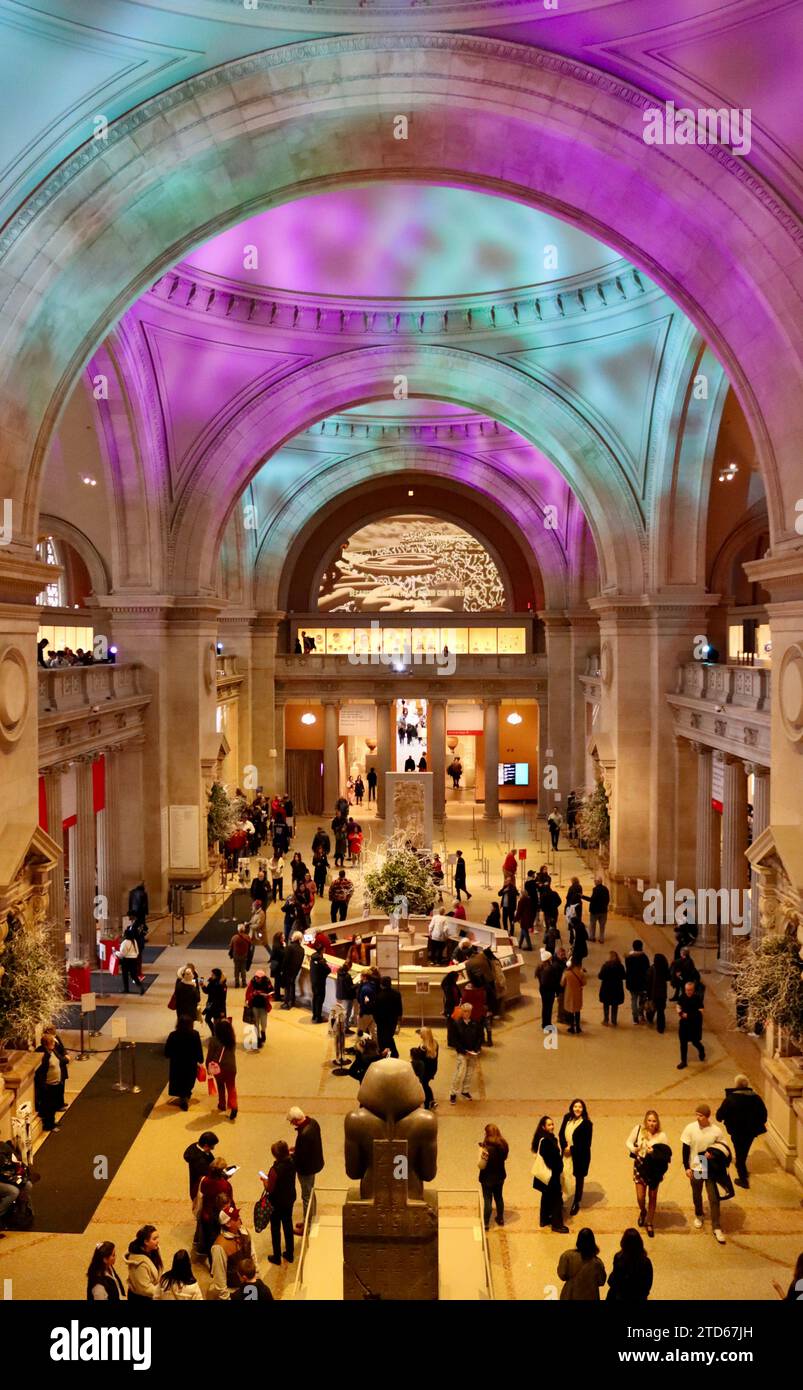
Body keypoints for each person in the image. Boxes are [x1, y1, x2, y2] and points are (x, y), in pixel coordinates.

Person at [681, 1104, 727, 1244]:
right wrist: (687, 1167)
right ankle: (699, 1214)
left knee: (713, 1197)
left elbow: (723, 1148)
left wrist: (713, 1154)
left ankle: (716, 1226)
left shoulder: (716, 1131)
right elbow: (685, 1148)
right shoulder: (690, 1128)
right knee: (697, 1193)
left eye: (700, 1115)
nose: (697, 1118)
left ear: (707, 1116)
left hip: (710, 1167)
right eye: (696, 1114)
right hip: (697, 1164)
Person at [716, 1075, 768, 1188]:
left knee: (739, 1154)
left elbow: (719, 1116)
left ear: (736, 1085)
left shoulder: (730, 1099)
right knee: (743, 1151)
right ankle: (742, 1167)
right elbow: (764, 1116)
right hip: (751, 1132)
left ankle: (743, 1179)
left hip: (736, 1131)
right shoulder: (756, 1098)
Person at [626, 1109, 671, 1238]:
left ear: (657, 1122)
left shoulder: (662, 1136)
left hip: (654, 1169)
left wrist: (654, 1153)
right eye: (649, 1120)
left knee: (652, 1196)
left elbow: (666, 1154)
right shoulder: (638, 1129)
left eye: (654, 1121)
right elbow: (628, 1142)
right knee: (640, 1197)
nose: (651, 1123)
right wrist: (634, 1149)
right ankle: (643, 1211)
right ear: (646, 1121)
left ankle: (650, 1222)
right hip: (640, 1165)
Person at [288, 1107, 324, 1231]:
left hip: (306, 1169)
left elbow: (301, 1158)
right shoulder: (313, 1123)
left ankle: (308, 1225)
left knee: (306, 1196)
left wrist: (290, 1155)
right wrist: (297, 1148)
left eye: (292, 1122)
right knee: (311, 1191)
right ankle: (310, 1218)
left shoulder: (304, 1134)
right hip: (314, 1164)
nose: (292, 1125)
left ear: (297, 1120)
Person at [263, 1139, 297, 1265]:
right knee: (288, 1225)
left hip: (276, 1202)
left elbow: (269, 1188)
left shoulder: (274, 1170)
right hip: (289, 1198)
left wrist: (264, 1181)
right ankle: (290, 1253)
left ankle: (276, 1256)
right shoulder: (292, 1162)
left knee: (275, 1228)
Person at [531, 1116, 567, 1232]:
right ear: (543, 1127)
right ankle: (557, 1224)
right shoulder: (547, 1141)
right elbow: (551, 1161)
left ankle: (544, 1219)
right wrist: (560, 1167)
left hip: (544, 1177)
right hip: (551, 1176)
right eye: (549, 1125)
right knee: (556, 1199)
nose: (552, 1126)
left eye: (552, 1124)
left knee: (546, 1196)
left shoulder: (544, 1139)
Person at [559, 1099, 593, 1216]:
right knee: (561, 1175)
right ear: (572, 1108)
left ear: (583, 1110)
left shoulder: (587, 1124)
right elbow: (561, 1134)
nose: (577, 1109)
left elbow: (586, 1144)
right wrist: (564, 1147)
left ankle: (576, 1202)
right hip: (565, 1152)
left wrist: (571, 1149)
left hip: (580, 1156)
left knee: (579, 1178)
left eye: (580, 1107)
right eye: (575, 1106)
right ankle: (559, 1200)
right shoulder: (567, 1117)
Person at [164, 1015, 203, 1111]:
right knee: (188, 1080)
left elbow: (167, 1052)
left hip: (177, 1064)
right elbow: (198, 1048)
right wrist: (200, 1059)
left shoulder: (173, 1035)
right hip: (190, 1063)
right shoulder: (195, 1034)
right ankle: (186, 1095)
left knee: (179, 1080)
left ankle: (183, 1097)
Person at [198, 1157, 234, 1258]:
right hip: (220, 1215)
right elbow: (229, 1200)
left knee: (209, 1240)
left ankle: (211, 1262)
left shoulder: (204, 1181)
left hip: (207, 1214)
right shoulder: (226, 1185)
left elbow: (203, 1191)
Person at [447, 1001, 482, 1103]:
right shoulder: (456, 1024)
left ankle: (465, 1091)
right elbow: (454, 1040)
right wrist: (463, 1050)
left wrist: (476, 1049)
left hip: (472, 1052)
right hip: (462, 1052)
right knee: (459, 1073)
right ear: (462, 1012)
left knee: (470, 1073)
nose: (467, 1013)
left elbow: (480, 1037)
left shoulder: (475, 1023)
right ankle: (453, 1093)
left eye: (468, 1011)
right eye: (465, 1011)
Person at [558, 1228, 606, 1300]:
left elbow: (562, 1275)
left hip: (570, 1295)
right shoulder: (597, 1263)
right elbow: (601, 1281)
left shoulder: (566, 1256)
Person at [607, 1229, 653, 1301]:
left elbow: (615, 1279)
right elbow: (648, 1284)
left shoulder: (619, 1258)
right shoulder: (646, 1262)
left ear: (623, 1242)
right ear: (640, 1243)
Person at [34, 1031, 67, 1132]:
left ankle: (52, 1122)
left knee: (54, 1105)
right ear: (46, 1044)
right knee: (49, 1107)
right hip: (48, 1085)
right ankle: (49, 1125)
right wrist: (43, 1085)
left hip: (56, 1083)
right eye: (52, 1042)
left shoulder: (53, 1051)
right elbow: (40, 1072)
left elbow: (61, 1060)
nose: (54, 1044)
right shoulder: (42, 1054)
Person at [478, 1124, 508, 1231]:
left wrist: (480, 1151)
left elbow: (481, 1165)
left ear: (487, 1134)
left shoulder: (486, 1149)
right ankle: (500, 1218)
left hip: (487, 1178)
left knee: (487, 1200)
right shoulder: (503, 1145)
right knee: (499, 1197)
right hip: (500, 1176)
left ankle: (486, 1223)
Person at [207, 1018, 238, 1121]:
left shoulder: (214, 1040)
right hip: (231, 1067)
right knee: (231, 1087)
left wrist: (208, 1066)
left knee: (220, 1085)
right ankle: (233, 1105)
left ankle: (222, 1104)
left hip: (218, 1067)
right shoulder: (232, 1040)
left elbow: (210, 1055)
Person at [183, 1131, 219, 1215]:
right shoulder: (199, 1161)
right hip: (200, 1186)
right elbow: (210, 1175)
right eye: (212, 1146)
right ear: (206, 1145)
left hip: (195, 1182)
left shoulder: (194, 1146)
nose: (213, 1149)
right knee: (203, 1208)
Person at [124, 1225, 162, 1300]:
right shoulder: (138, 1263)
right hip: (140, 1298)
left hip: (153, 1292)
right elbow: (145, 1288)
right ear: (146, 1242)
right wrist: (161, 1292)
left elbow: (159, 1269)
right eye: (154, 1239)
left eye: (157, 1237)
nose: (158, 1241)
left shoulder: (154, 1250)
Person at [677, 978, 706, 1068]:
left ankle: (701, 1050)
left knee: (695, 1042)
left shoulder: (697, 998)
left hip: (694, 1025)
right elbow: (678, 1006)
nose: (688, 992)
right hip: (684, 1024)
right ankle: (683, 1061)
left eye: (690, 990)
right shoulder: (682, 996)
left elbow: (701, 1011)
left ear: (693, 990)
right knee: (683, 1043)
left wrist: (688, 1015)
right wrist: (680, 1012)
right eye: (687, 990)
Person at [373, 975, 403, 1057]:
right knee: (389, 1036)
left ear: (382, 984)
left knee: (382, 1039)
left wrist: (376, 1021)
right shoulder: (397, 994)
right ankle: (391, 1054)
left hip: (382, 1022)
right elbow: (399, 1008)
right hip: (393, 1020)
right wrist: (399, 1019)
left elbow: (375, 1011)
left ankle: (390, 1054)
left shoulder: (379, 996)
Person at [410, 1027, 439, 1110]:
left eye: (421, 1034)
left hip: (424, 1070)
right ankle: (432, 1101)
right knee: (426, 1085)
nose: (420, 1035)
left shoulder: (423, 1047)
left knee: (424, 1086)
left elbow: (418, 1059)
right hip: (432, 1069)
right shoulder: (435, 1044)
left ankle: (428, 1104)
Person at [536, 951, 566, 1030]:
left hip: (543, 990)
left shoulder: (540, 967)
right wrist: (557, 989)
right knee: (548, 1008)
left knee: (545, 1007)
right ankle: (547, 1025)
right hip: (549, 991)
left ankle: (544, 1023)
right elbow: (553, 981)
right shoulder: (550, 969)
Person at [245, 968, 273, 1046]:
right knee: (255, 1022)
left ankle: (263, 1031)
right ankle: (257, 1039)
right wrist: (253, 994)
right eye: (256, 977)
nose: (256, 978)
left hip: (263, 1006)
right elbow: (248, 992)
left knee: (263, 1023)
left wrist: (267, 995)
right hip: (254, 1005)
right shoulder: (252, 982)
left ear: (262, 977)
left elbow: (271, 991)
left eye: (258, 977)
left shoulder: (267, 982)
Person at [625, 939, 650, 1024]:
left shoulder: (629, 958)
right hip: (642, 982)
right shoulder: (644, 957)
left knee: (633, 1000)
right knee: (642, 1000)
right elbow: (647, 969)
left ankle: (635, 1018)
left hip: (632, 982)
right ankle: (641, 1014)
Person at [598, 950, 625, 1026]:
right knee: (615, 1005)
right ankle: (614, 1020)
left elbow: (600, 976)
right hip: (617, 989)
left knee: (606, 1004)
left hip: (606, 988)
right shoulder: (620, 966)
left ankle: (606, 1020)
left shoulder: (605, 966)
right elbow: (624, 976)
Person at [646, 953, 670, 1033]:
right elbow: (668, 978)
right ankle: (661, 1027)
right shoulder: (665, 969)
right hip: (662, 993)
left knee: (651, 1008)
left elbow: (648, 981)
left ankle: (650, 1019)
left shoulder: (652, 969)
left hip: (653, 993)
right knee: (661, 1011)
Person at [562, 958, 587, 1034]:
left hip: (569, 994)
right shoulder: (580, 973)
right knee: (577, 1010)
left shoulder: (566, 973)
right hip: (578, 994)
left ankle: (572, 1027)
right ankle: (578, 1027)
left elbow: (562, 983)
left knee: (570, 1011)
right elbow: (584, 983)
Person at [281, 930, 305, 1009]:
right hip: (295, 971)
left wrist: (282, 970)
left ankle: (287, 1002)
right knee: (292, 984)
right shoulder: (302, 949)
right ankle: (292, 1001)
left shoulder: (289, 947)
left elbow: (285, 960)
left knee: (287, 986)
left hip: (288, 970)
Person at [116, 929, 144, 995]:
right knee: (134, 975)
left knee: (125, 975)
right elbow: (137, 951)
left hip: (126, 960)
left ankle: (126, 989)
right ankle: (140, 986)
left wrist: (116, 953)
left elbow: (122, 954)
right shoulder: (134, 941)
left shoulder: (124, 942)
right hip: (134, 959)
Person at [202, 967, 228, 1033]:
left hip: (218, 1007)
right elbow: (207, 991)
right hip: (210, 1005)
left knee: (217, 1023)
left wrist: (222, 1011)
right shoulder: (211, 982)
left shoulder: (222, 986)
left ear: (216, 976)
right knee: (207, 1019)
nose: (211, 976)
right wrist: (202, 985)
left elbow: (223, 999)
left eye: (212, 975)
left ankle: (217, 1035)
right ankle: (214, 1032)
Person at [309, 945, 331, 1024]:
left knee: (315, 998)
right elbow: (328, 970)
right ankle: (318, 1018)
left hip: (314, 982)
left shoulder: (313, 958)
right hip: (320, 983)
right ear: (322, 950)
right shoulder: (321, 961)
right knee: (320, 1000)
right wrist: (324, 962)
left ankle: (314, 1015)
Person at [585, 876, 610, 943]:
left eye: (595, 881)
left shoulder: (595, 889)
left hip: (595, 911)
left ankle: (592, 937)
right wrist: (605, 906)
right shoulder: (605, 889)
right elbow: (608, 899)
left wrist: (582, 896)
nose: (594, 882)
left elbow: (592, 900)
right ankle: (601, 939)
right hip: (603, 911)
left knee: (592, 924)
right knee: (602, 926)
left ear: (597, 882)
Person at [228, 923, 251, 990]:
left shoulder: (234, 937)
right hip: (244, 955)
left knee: (236, 969)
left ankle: (237, 983)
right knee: (243, 969)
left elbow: (231, 946)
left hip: (236, 956)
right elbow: (250, 946)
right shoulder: (247, 937)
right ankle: (244, 983)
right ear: (244, 929)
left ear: (238, 930)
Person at [269, 931, 286, 1003]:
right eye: (283, 937)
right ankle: (277, 997)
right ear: (280, 938)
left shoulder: (275, 945)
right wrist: (284, 947)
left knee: (277, 982)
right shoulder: (278, 946)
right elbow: (282, 954)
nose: (284, 938)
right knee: (278, 982)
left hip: (276, 966)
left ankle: (277, 995)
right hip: (278, 967)